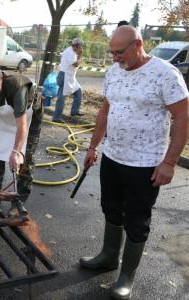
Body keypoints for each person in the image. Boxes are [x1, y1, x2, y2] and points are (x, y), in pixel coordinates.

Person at [79, 25, 189, 299]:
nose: (114, 57)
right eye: (111, 52)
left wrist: (169, 163)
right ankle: (107, 256)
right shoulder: (114, 71)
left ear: (138, 44)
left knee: (137, 219)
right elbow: (106, 109)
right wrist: (93, 146)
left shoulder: (165, 74)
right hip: (113, 157)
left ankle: (126, 275)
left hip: (145, 164)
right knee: (111, 209)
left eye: (119, 52)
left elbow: (183, 116)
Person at [0, 61, 43, 216]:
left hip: (28, 116)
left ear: (1, 78)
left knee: (25, 156)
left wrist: (16, 151)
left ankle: (19, 199)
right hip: (5, 116)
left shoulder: (16, 87)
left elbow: (21, 123)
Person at [52, 38, 85, 122]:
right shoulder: (69, 52)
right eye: (79, 47)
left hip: (70, 76)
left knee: (78, 92)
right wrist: (80, 55)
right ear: (77, 46)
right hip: (65, 76)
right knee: (61, 98)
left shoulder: (72, 51)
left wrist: (78, 55)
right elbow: (75, 64)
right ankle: (56, 118)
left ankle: (74, 111)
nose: (80, 49)